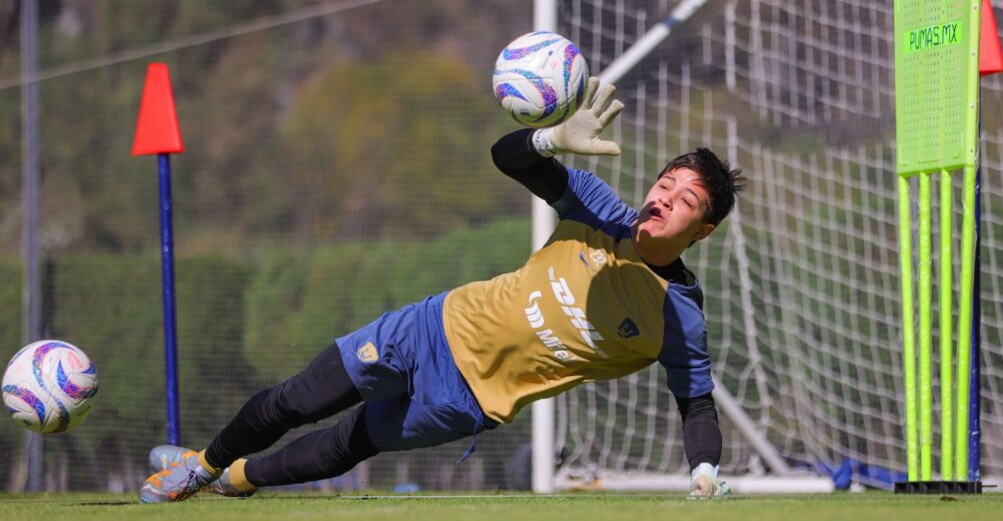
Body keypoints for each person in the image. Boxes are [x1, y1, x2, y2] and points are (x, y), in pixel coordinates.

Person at [140, 79, 745, 503]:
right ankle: (202, 465)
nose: (664, 197)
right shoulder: (599, 208)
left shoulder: (678, 316)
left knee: (348, 443)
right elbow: (506, 157)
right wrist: (550, 140)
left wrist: (703, 470)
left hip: (470, 400)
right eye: (666, 182)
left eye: (685, 199)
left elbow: (696, 404)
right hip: (432, 328)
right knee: (300, 399)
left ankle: (235, 480)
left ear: (704, 230)